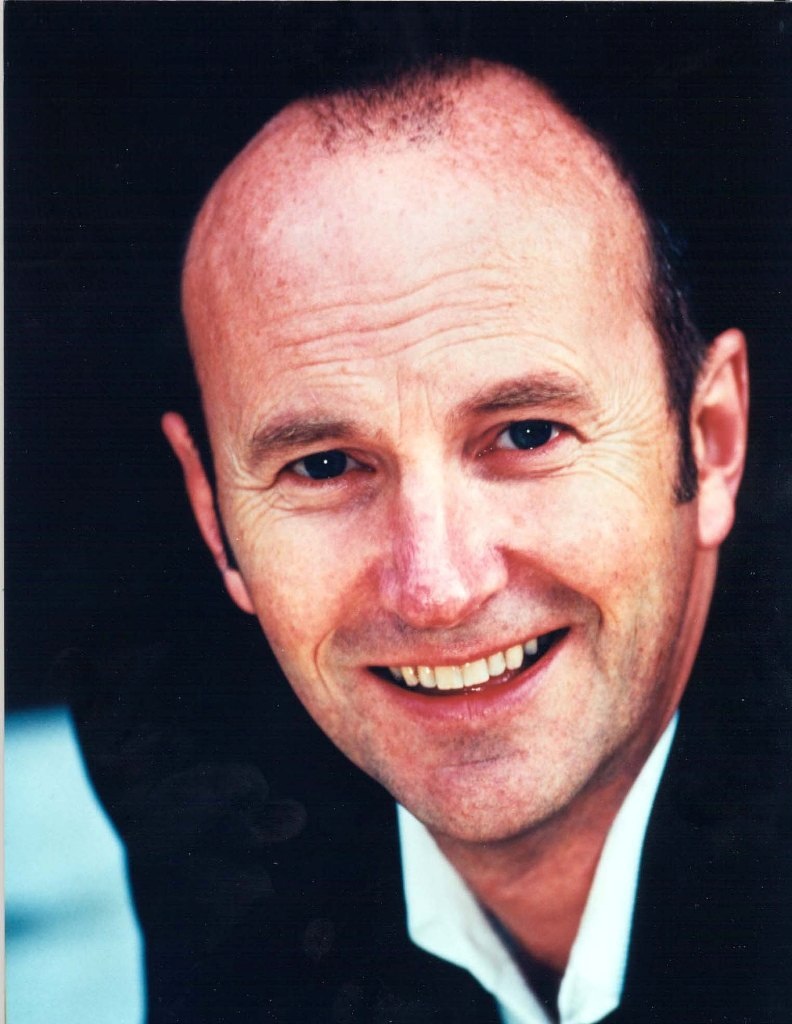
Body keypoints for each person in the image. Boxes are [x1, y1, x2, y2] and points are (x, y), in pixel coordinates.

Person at [124, 57, 786, 1023]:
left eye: (527, 435)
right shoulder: (198, 781)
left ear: (712, 441)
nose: (436, 588)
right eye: (324, 465)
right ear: (213, 515)